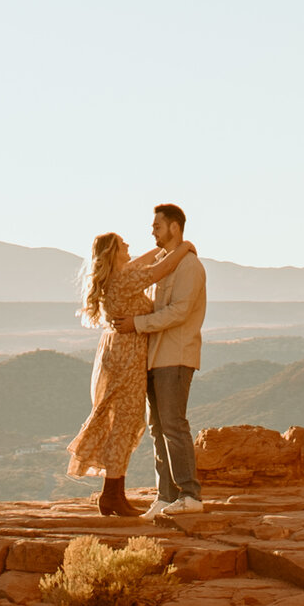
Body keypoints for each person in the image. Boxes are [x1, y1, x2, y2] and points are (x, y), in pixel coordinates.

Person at [65, 228, 158, 517]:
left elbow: (139, 264)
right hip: (127, 357)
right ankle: (112, 496)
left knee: (121, 422)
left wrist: (161, 247)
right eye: (122, 243)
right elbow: (159, 270)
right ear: (113, 253)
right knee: (124, 424)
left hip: (115, 354)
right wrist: (184, 246)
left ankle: (114, 493)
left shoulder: (115, 278)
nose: (128, 244)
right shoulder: (124, 279)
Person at [134, 202, 206, 513]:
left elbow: (179, 312)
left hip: (176, 357)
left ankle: (189, 496)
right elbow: (128, 271)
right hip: (153, 358)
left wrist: (137, 325)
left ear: (174, 227)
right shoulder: (163, 263)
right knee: (157, 429)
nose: (152, 231)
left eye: (157, 227)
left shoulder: (190, 267)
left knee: (174, 426)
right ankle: (165, 497)